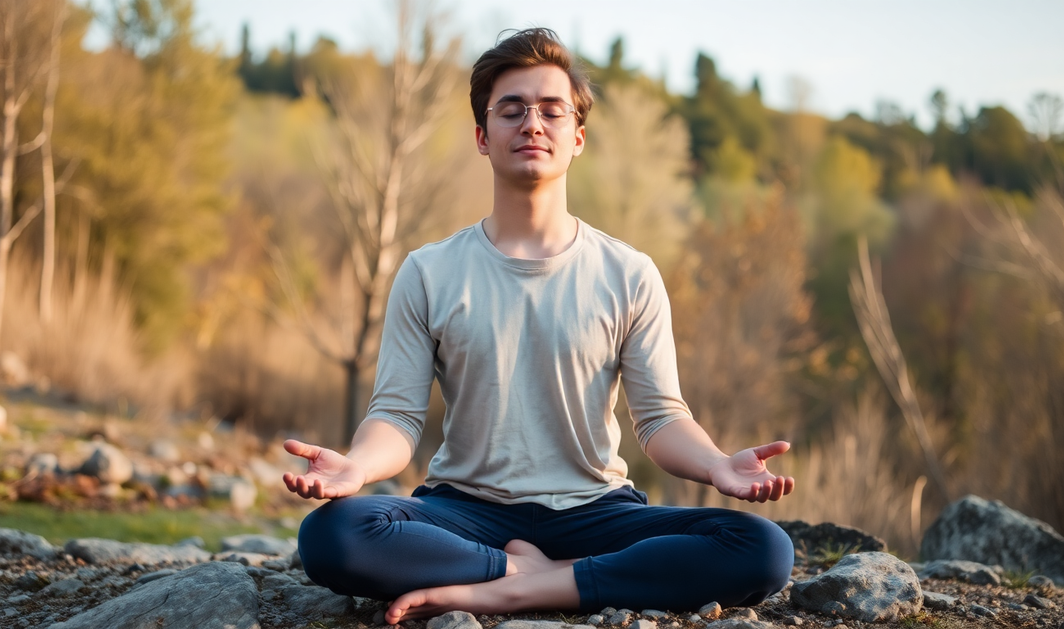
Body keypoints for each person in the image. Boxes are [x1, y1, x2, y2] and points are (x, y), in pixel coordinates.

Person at [282, 27, 795, 624]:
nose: (532, 123)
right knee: (334, 534)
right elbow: (396, 415)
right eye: (512, 109)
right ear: (483, 136)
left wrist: (714, 465)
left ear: (576, 137)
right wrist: (358, 466)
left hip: (597, 512)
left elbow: (659, 419)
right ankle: (536, 574)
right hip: (464, 511)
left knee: (763, 549)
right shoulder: (429, 271)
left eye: (552, 110)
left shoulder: (629, 273)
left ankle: (515, 585)